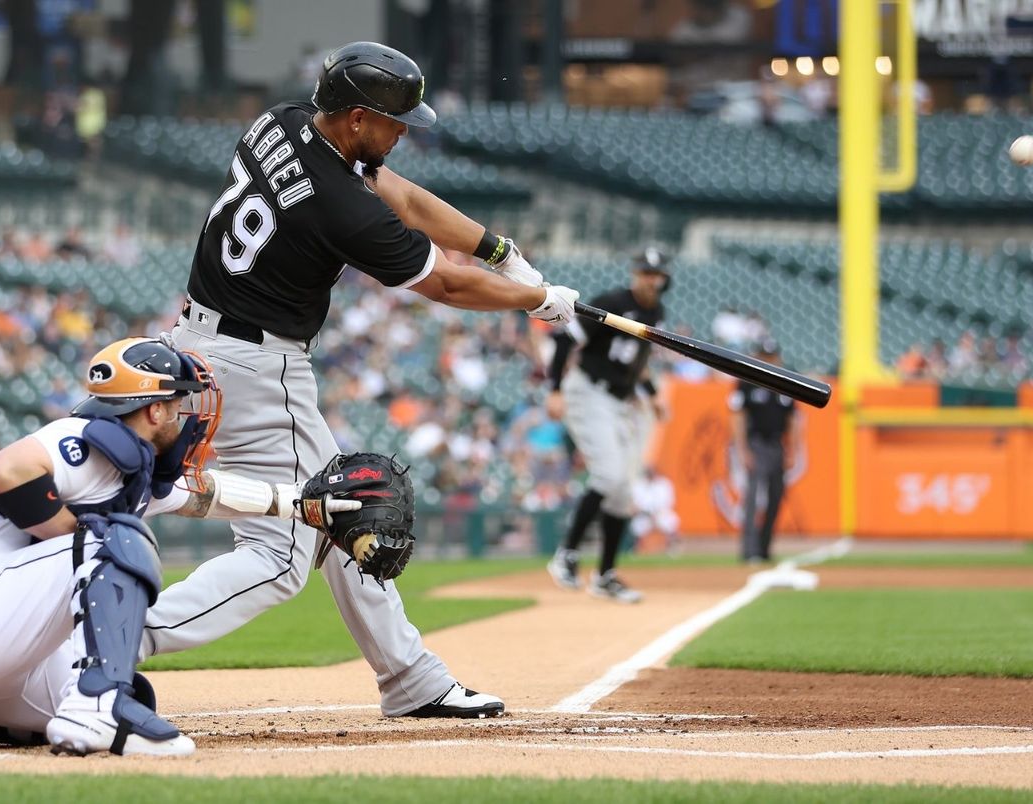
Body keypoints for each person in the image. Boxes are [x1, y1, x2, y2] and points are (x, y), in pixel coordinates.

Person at [150, 41, 579, 719]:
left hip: (197, 343)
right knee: (284, 550)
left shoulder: (283, 121)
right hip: (259, 370)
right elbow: (441, 283)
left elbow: (401, 193)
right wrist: (538, 300)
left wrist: (502, 253)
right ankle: (114, 635)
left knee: (353, 509)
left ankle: (412, 679)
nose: (403, 132)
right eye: (392, 120)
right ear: (354, 118)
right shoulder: (340, 205)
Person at [0, 337, 362, 755]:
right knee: (114, 538)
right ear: (154, 408)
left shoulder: (130, 465)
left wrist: (304, 504)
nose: (185, 416)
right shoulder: (83, 438)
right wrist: (76, 535)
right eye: (179, 403)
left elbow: (207, 495)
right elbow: (6, 470)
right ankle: (97, 708)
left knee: (129, 695)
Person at [544, 248, 670, 603]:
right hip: (588, 392)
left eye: (656, 274)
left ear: (663, 278)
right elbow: (566, 339)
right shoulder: (612, 301)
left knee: (623, 493)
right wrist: (553, 389)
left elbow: (637, 362)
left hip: (620, 402)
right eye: (645, 272)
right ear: (635, 273)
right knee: (609, 476)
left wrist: (653, 393)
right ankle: (566, 555)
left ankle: (606, 575)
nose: (650, 279)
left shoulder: (656, 311)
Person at [728, 339, 800, 563]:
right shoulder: (748, 381)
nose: (770, 361)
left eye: (772, 357)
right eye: (765, 357)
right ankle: (749, 551)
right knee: (752, 497)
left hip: (777, 443)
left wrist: (792, 451)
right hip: (756, 443)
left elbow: (793, 419)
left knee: (776, 497)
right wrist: (742, 450)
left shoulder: (786, 381)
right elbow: (738, 416)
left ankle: (765, 547)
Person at [630, 465, 681, 556]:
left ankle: (672, 547)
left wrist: (656, 513)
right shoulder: (639, 484)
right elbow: (636, 504)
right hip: (644, 515)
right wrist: (647, 513)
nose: (651, 474)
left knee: (671, 520)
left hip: (661, 514)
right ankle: (635, 549)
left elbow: (669, 502)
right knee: (636, 525)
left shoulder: (664, 484)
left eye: (652, 472)